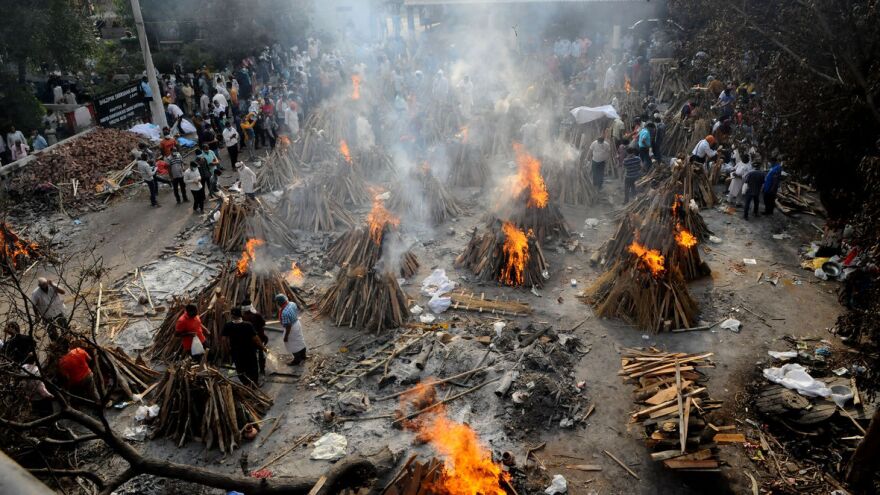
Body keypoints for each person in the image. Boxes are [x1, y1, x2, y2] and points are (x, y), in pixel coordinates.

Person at [222, 307, 266, 387]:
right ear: (241, 315)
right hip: (249, 351)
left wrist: (227, 350)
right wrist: (263, 347)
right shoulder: (248, 325)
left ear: (232, 315)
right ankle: (255, 383)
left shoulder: (228, 325)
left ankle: (246, 384)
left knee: (240, 368)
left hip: (236, 351)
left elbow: (224, 340)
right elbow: (256, 339)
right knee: (252, 367)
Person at [276, 294, 306, 366]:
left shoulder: (284, 313)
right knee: (299, 340)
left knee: (291, 344)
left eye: (277, 302)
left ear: (280, 303)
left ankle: (297, 360)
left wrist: (286, 336)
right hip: (297, 323)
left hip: (291, 328)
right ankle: (303, 356)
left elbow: (288, 326)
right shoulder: (292, 303)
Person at [241, 299, 268, 375]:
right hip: (259, 337)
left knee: (252, 355)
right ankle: (262, 369)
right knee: (261, 352)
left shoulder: (243, 317)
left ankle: (252, 370)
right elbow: (263, 323)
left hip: (249, 339)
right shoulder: (257, 315)